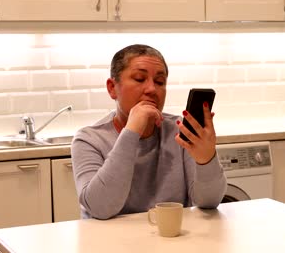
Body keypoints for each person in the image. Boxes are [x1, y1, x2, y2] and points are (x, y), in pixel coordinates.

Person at [71, 44, 227, 220]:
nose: (152, 89)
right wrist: (131, 132)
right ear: (112, 88)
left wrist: (206, 160)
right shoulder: (88, 139)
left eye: (160, 82)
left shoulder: (179, 131)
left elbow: (209, 202)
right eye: (139, 78)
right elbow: (100, 208)